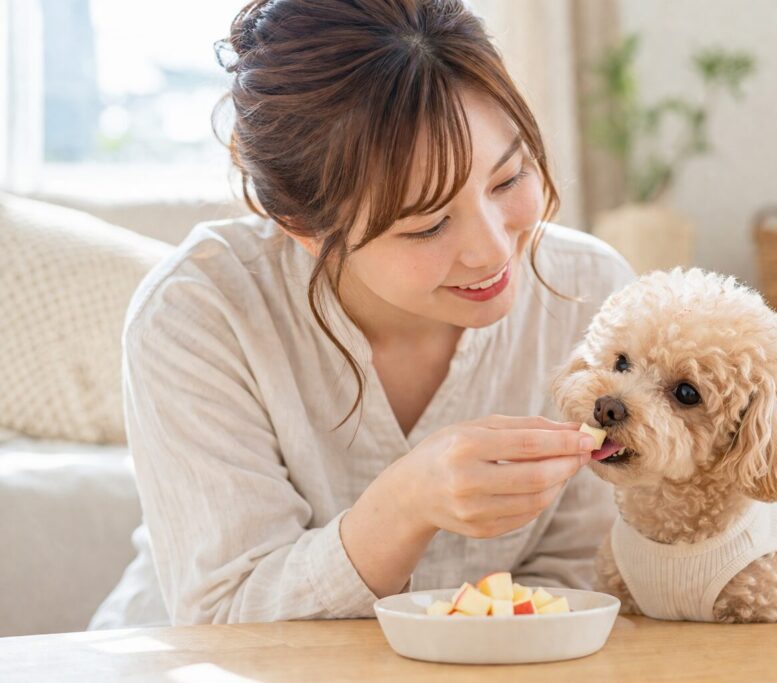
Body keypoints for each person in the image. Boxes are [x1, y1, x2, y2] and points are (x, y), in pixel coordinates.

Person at [89, 0, 635, 627]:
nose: (492, 248)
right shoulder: (198, 312)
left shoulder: (592, 293)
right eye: (428, 225)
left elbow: (587, 579)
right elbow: (225, 615)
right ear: (302, 227)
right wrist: (405, 505)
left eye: (508, 180)